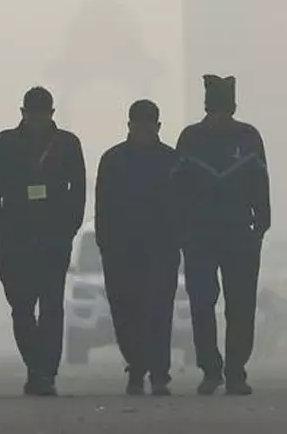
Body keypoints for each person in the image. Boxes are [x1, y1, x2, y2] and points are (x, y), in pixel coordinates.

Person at [172, 74, 271, 396]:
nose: (220, 117)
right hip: (200, 235)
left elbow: (261, 182)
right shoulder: (190, 138)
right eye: (216, 110)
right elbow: (177, 187)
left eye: (224, 110)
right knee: (202, 303)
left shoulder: (249, 137)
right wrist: (182, 228)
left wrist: (262, 222)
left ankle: (236, 371)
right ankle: (210, 370)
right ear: (207, 108)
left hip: (239, 233)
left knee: (240, 305)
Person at [0, 86, 86, 396]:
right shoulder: (5, 142)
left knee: (52, 305)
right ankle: (35, 364)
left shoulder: (67, 144)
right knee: (22, 306)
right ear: (23, 113)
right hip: (14, 237)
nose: (37, 120)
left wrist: (70, 226)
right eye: (32, 114)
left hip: (54, 236)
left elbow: (78, 188)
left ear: (51, 114)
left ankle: (46, 372)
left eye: (42, 114)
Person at [95, 99, 181, 396]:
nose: (144, 130)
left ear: (157, 126)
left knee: (158, 311)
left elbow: (182, 205)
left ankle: (158, 372)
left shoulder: (172, 160)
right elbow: (102, 207)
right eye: (139, 124)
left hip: (161, 247)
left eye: (149, 125)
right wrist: (104, 243)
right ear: (129, 125)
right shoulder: (113, 160)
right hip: (121, 248)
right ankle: (137, 365)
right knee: (125, 311)